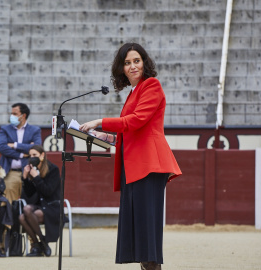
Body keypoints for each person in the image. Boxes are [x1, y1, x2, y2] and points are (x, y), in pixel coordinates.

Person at [79, 43, 182, 270]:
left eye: (136, 61)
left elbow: (136, 121)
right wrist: (106, 137)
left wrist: (100, 121)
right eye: (127, 63)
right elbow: (132, 132)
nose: (133, 66)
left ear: (144, 63)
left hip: (149, 164)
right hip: (135, 165)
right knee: (139, 232)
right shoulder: (134, 92)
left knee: (147, 233)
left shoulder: (151, 85)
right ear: (121, 69)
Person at [19, 145, 60, 257]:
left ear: (42, 156)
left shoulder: (53, 169)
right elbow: (28, 194)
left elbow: (48, 192)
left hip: (51, 206)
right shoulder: (32, 169)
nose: (32, 158)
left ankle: (39, 244)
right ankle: (40, 243)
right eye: (30, 155)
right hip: (38, 205)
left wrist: (36, 177)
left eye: (35, 155)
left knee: (25, 214)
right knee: (22, 215)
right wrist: (25, 178)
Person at [0, 103, 42, 204]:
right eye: (11, 113)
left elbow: (37, 148)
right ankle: (10, 219)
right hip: (11, 172)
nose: (12, 116)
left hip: (30, 171)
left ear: (23, 115)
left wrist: (15, 145)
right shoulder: (5, 129)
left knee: (30, 200)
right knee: (8, 201)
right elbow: (2, 147)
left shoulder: (35, 130)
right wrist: (22, 154)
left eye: (15, 114)